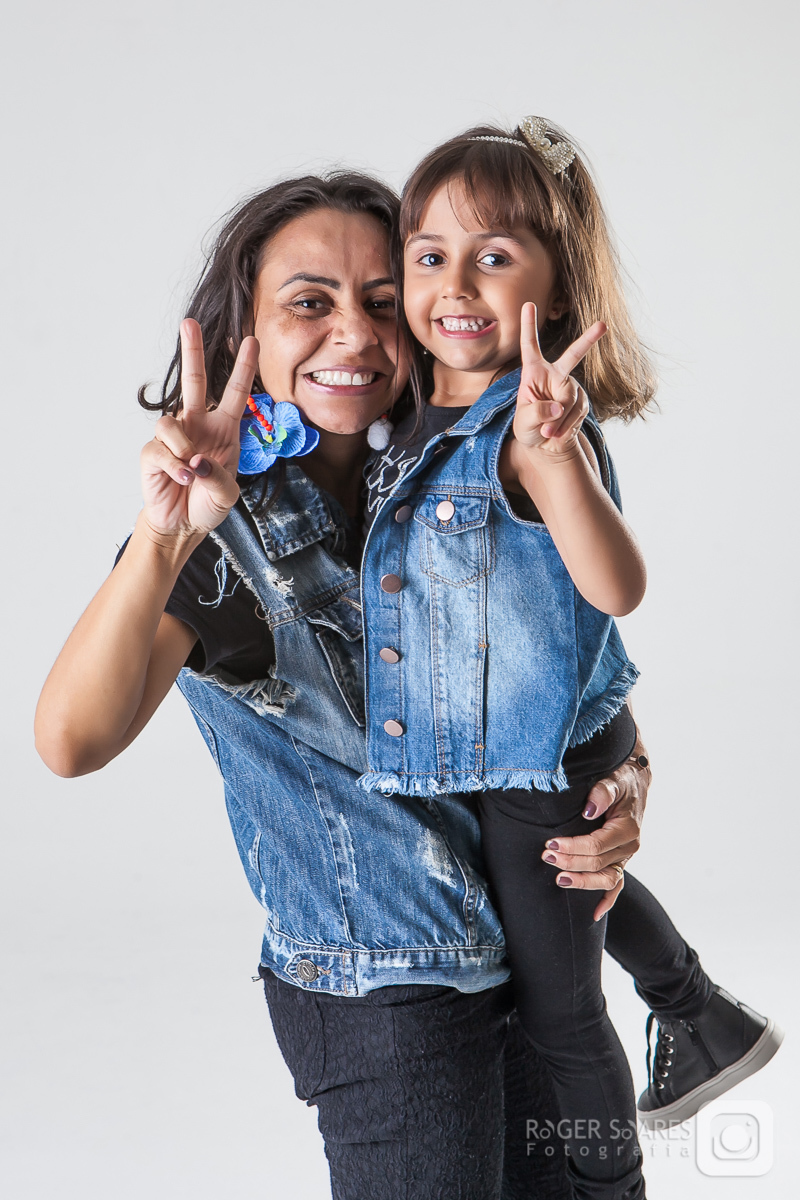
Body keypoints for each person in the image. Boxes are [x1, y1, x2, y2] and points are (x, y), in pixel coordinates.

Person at [34, 169, 775, 1200]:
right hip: (390, 1004)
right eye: (308, 303)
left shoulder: (453, 471)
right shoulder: (218, 535)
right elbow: (71, 741)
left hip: (524, 952)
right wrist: (162, 535)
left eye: (381, 302)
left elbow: (556, 654)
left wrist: (628, 779)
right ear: (242, 325)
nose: (352, 334)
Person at [359, 118, 782, 1197]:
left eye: (493, 256)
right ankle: (696, 1007)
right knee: (568, 893)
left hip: (539, 753)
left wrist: (553, 461)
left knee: (558, 1010)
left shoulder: (528, 427)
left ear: (558, 278)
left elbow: (614, 586)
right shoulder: (412, 412)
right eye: (428, 253)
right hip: (541, 735)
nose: (455, 283)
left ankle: (609, 1182)